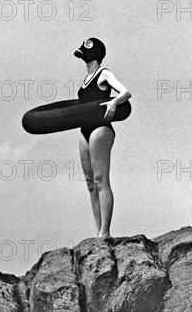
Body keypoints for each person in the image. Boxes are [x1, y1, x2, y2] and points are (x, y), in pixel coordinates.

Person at [74, 38, 131, 238]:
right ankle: (98, 229)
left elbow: (126, 92)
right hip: (84, 130)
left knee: (100, 180)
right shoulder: (85, 80)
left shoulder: (103, 73)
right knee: (90, 182)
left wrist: (114, 102)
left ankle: (105, 232)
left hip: (101, 129)